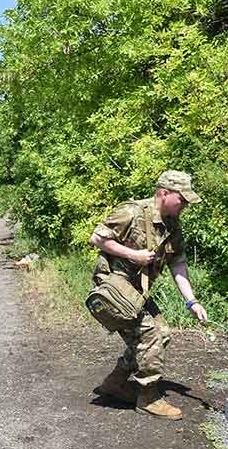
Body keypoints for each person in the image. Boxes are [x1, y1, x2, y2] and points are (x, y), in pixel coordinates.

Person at [88, 170, 208, 420]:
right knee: (152, 333)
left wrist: (191, 301)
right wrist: (134, 255)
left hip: (138, 290)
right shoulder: (131, 211)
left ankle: (115, 383)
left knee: (160, 334)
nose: (185, 204)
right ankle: (148, 397)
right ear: (164, 193)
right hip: (114, 285)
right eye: (182, 199)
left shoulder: (172, 225)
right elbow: (97, 238)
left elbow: (178, 264)